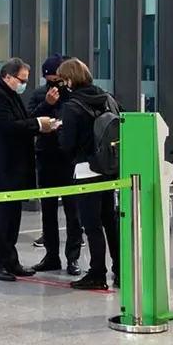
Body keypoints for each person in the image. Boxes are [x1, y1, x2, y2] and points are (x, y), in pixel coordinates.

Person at [0, 57, 58, 282]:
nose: (23, 84)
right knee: (1, 218)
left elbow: (24, 120)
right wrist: (38, 125)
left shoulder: (10, 95)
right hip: (3, 169)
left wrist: (42, 117)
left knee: (13, 218)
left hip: (14, 169)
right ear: (7, 76)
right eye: (21, 80)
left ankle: (10, 260)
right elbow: (9, 127)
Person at [56, 58, 120, 290]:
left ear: (70, 79)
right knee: (110, 221)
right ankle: (121, 271)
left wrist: (59, 130)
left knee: (91, 225)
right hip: (109, 167)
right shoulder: (107, 99)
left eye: (63, 80)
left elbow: (66, 144)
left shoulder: (72, 106)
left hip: (86, 169)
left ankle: (97, 273)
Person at [26, 54, 83, 276]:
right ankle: (51, 255)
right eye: (49, 80)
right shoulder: (40, 94)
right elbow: (30, 120)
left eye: (57, 80)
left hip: (69, 158)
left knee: (72, 210)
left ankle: (73, 257)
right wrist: (46, 105)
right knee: (48, 210)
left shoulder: (74, 95)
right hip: (46, 154)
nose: (54, 85)